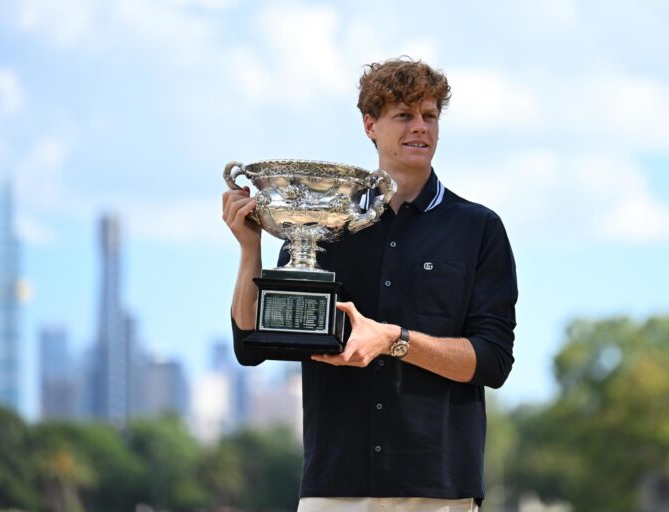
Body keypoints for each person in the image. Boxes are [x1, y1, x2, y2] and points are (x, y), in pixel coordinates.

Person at [222, 57, 518, 512]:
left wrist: (391, 340)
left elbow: (493, 361)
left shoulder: (478, 229)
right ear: (370, 126)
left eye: (430, 116)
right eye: (404, 115)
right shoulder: (322, 224)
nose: (420, 127)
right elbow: (251, 344)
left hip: (439, 491)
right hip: (335, 487)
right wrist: (249, 251)